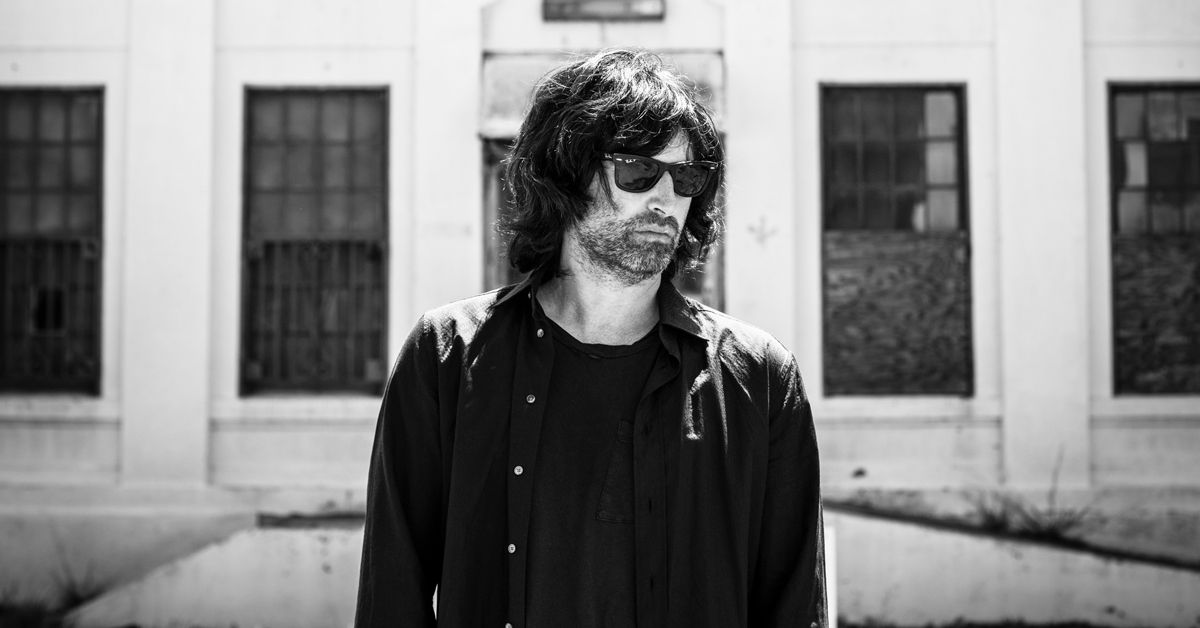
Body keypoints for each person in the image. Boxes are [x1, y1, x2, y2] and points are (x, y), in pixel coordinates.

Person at [355, 48, 826, 628]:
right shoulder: (447, 356)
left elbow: (795, 607)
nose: (665, 200)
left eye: (686, 178)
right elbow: (391, 598)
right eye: (637, 171)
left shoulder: (759, 377)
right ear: (566, 176)